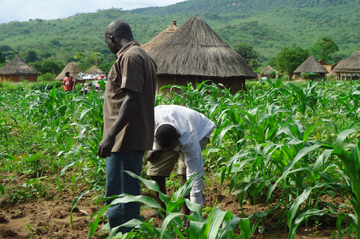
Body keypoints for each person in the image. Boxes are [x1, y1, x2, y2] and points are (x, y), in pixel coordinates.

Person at [97, 20, 157, 234]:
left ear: (110, 38)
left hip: (124, 138)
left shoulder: (130, 57)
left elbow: (132, 98)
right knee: (127, 193)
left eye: (106, 41)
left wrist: (110, 136)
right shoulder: (143, 56)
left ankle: (123, 235)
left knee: (120, 197)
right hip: (130, 138)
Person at [146, 105, 216, 217]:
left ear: (178, 137)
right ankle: (162, 210)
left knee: (185, 174)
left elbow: (195, 175)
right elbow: (153, 133)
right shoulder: (151, 118)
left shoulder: (189, 139)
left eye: (172, 147)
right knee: (155, 170)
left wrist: (195, 211)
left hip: (199, 131)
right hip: (167, 132)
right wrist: (156, 148)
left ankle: (186, 213)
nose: (171, 151)